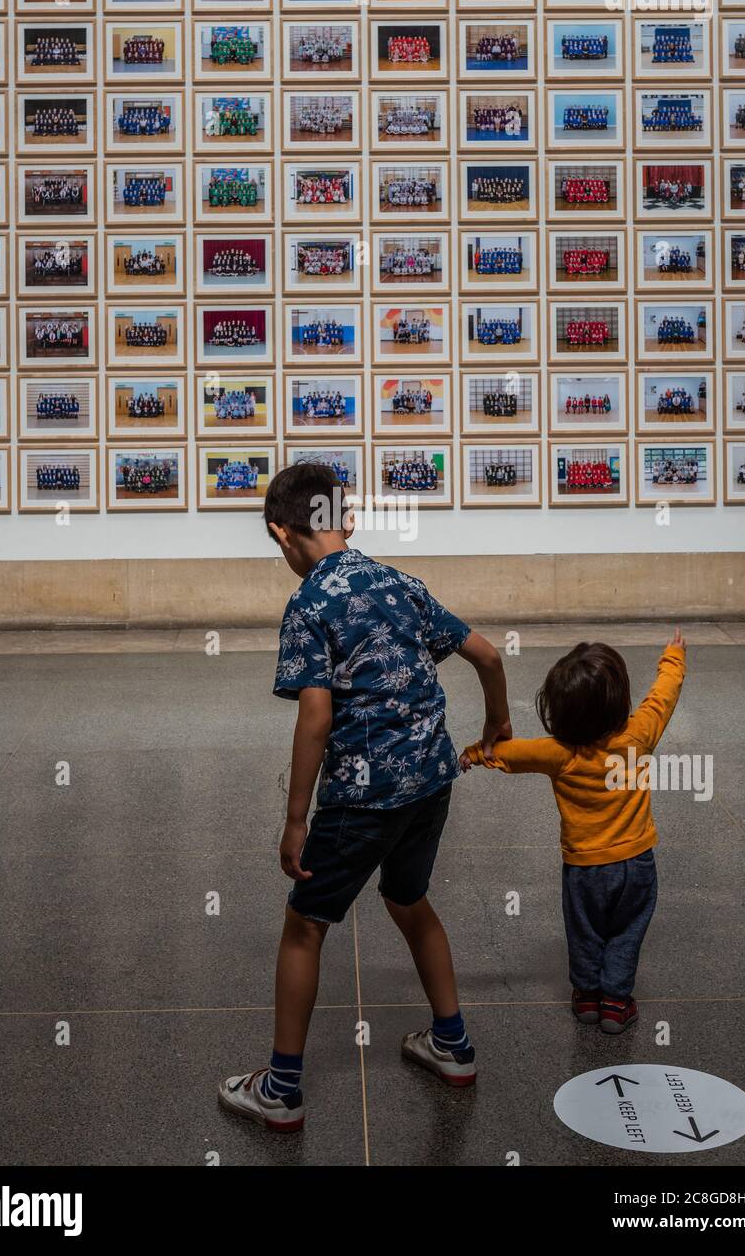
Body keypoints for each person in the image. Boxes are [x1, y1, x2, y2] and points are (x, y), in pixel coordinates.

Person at [218, 463, 513, 1131]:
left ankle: (281, 1092)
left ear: (281, 533)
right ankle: (453, 1045)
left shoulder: (308, 603)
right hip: (432, 780)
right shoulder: (401, 584)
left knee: (305, 926)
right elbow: (489, 657)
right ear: (347, 522)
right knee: (408, 900)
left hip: (361, 795)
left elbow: (316, 717)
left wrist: (296, 820)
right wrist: (497, 725)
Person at [461, 632, 686, 1034]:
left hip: (584, 866)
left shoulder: (558, 754)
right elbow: (662, 697)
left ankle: (586, 996)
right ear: (618, 702)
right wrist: (673, 657)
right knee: (627, 929)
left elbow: (509, 752)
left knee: (584, 927)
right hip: (637, 863)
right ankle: (616, 1002)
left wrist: (474, 754)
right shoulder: (639, 735)